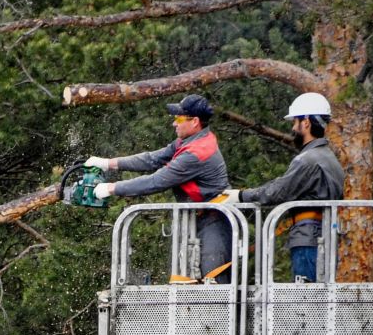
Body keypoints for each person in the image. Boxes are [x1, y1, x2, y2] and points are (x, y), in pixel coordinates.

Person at [86, 94, 234, 282]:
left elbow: (156, 182)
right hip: (198, 219)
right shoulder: (189, 141)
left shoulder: (196, 153)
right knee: (188, 280)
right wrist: (109, 163)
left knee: (214, 282)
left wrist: (112, 188)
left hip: (214, 222)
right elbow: (152, 159)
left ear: (195, 121)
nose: (174, 124)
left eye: (179, 118)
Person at [235, 92, 343, 282]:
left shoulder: (308, 160)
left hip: (308, 239)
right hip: (322, 237)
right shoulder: (328, 157)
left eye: (295, 122)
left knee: (305, 302)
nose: (293, 128)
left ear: (306, 122)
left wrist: (241, 196)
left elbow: (278, 192)